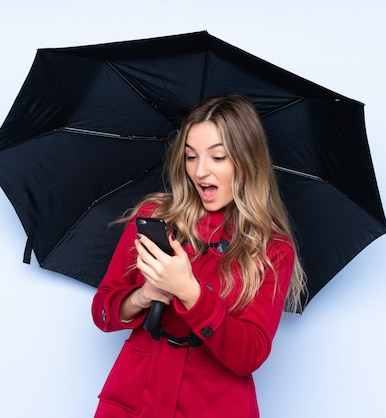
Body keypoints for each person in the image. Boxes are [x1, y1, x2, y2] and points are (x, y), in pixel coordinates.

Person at [91, 94, 306, 418]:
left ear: (247, 162)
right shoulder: (154, 215)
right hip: (133, 402)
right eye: (191, 157)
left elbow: (250, 355)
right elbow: (102, 312)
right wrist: (145, 295)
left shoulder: (273, 248)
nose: (200, 171)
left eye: (218, 157)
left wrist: (189, 292)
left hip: (213, 406)